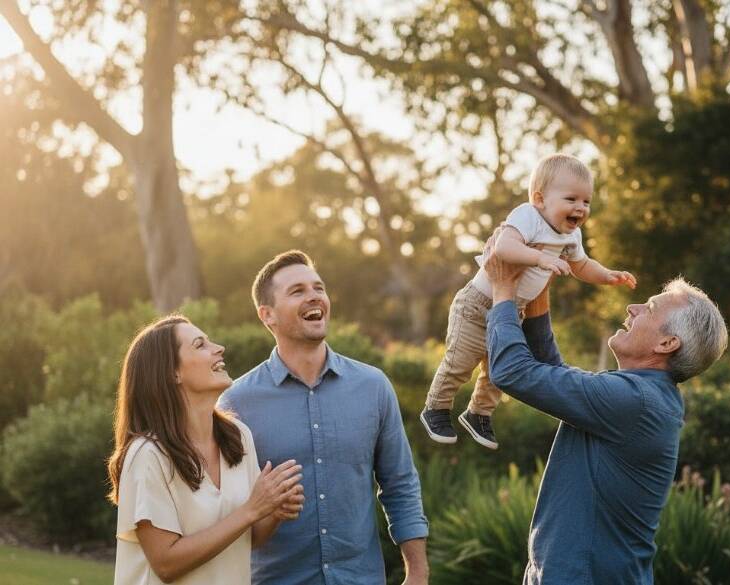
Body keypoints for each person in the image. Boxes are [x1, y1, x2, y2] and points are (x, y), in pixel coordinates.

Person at [483, 235, 728, 584]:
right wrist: (539, 278)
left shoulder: (634, 401)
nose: (633, 309)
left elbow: (513, 372)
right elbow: (552, 371)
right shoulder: (639, 395)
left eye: (650, 308)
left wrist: (503, 289)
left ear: (667, 343)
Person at [218, 250, 429, 585]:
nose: (314, 296)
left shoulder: (373, 387)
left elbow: (400, 483)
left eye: (318, 287)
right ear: (267, 315)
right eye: (297, 291)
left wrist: (417, 573)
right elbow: (227, 512)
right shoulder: (235, 403)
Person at [421, 153, 636, 449]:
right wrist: (541, 258)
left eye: (586, 202)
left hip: (513, 310)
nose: (580, 208)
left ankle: (478, 414)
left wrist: (607, 275)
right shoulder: (527, 216)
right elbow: (504, 248)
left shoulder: (571, 235)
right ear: (540, 198)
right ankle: (437, 408)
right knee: (460, 362)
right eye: (571, 199)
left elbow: (581, 265)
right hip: (477, 305)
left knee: (498, 371)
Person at [108, 315, 305, 585]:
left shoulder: (238, 437)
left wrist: (272, 510)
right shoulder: (147, 454)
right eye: (200, 344)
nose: (219, 348)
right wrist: (251, 509)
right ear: (171, 372)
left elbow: (251, 537)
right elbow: (166, 563)